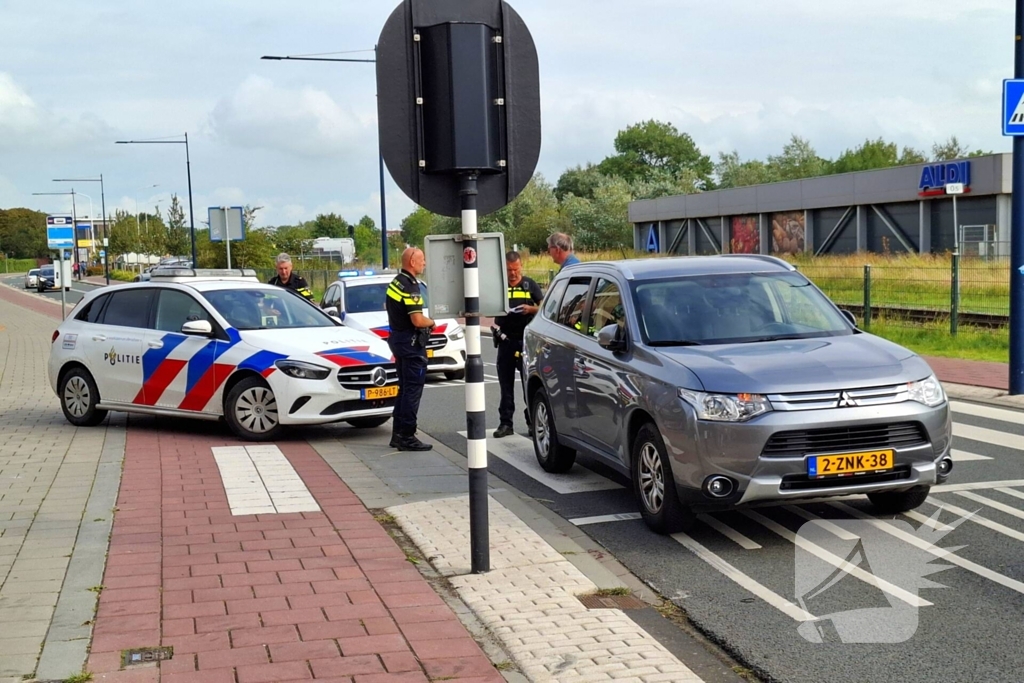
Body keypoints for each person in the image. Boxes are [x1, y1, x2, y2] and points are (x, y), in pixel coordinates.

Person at [385, 247, 435, 451]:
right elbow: (417, 319)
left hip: (398, 341)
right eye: (422, 259)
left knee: (404, 388)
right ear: (412, 262)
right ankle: (407, 435)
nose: (424, 263)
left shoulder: (396, 282)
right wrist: (431, 322)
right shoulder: (411, 287)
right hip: (411, 345)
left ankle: (397, 434)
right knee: (412, 391)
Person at [492, 251, 543, 438]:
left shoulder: (530, 285)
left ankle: (532, 422)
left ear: (521, 266)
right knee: (505, 386)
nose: (513, 273)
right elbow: (487, 309)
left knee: (528, 384)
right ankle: (506, 423)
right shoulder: (498, 286)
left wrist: (530, 309)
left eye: (515, 269)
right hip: (505, 340)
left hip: (525, 341)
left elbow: (544, 307)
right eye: (509, 270)